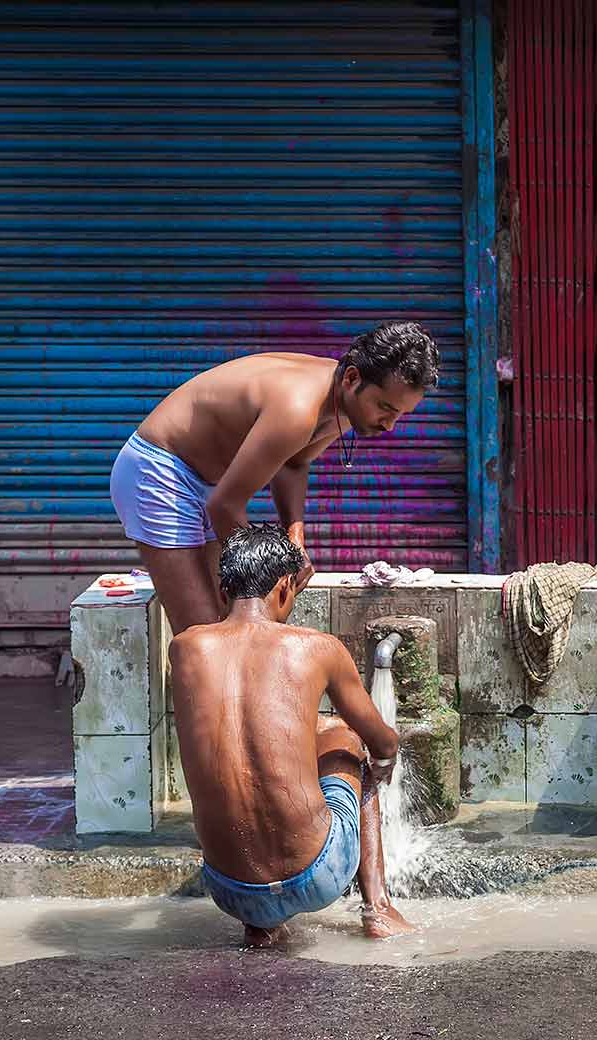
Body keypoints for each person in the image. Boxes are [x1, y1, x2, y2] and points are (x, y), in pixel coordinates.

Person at [169, 522, 415, 945]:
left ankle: (262, 929)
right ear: (287, 586)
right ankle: (378, 908)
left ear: (223, 592)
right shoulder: (317, 647)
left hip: (230, 892)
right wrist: (383, 762)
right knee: (346, 737)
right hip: (317, 875)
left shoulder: (186, 648)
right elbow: (384, 740)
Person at [109, 321, 440, 634]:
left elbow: (294, 462)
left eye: (400, 414)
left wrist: (295, 538)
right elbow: (224, 507)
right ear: (353, 378)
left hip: (204, 482)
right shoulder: (298, 408)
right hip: (158, 473)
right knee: (203, 638)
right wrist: (272, 575)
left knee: (225, 623)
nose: (389, 425)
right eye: (384, 408)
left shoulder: (346, 399)